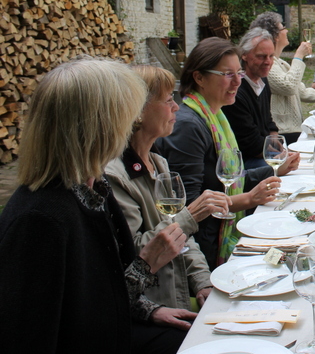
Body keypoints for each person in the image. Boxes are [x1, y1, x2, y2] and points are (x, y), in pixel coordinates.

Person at [0, 57, 189, 353]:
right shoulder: (41, 220)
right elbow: (40, 333)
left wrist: (148, 310)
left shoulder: (91, 186)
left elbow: (102, 293)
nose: (132, 124)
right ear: (101, 126)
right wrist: (145, 265)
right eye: (127, 114)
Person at [106, 65, 231, 315]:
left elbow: (184, 237)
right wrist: (190, 217)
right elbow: (136, 251)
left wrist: (203, 282)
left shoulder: (158, 163)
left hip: (180, 296)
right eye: (167, 100)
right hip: (150, 308)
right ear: (138, 112)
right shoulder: (115, 176)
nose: (176, 107)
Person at [157, 37, 288, 269]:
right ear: (199, 77)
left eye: (239, 73)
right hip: (203, 252)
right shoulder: (189, 125)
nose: (238, 81)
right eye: (228, 74)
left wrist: (274, 171)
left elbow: (229, 179)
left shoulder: (215, 116)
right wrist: (248, 199)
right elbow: (190, 208)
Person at [220, 28, 300, 169]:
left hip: (261, 150)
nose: (268, 62)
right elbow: (250, 145)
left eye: (271, 56)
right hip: (244, 161)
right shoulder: (237, 91)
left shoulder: (262, 80)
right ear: (244, 56)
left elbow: (268, 120)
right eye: (261, 56)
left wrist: (276, 139)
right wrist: (279, 157)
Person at [249, 12, 315, 144]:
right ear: (275, 36)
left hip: (294, 130)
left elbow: (303, 92)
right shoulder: (268, 66)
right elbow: (289, 87)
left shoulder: (281, 63)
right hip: (282, 134)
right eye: (283, 28)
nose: (286, 30)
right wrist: (299, 56)